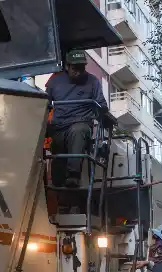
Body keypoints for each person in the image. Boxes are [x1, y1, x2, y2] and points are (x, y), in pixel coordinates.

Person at [45, 49, 107, 189]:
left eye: (81, 68)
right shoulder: (54, 82)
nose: (78, 72)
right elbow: (44, 104)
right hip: (59, 127)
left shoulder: (93, 82)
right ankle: (57, 182)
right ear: (67, 66)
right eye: (75, 68)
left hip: (81, 123)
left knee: (78, 130)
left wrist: (101, 111)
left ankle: (73, 175)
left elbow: (102, 104)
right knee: (57, 178)